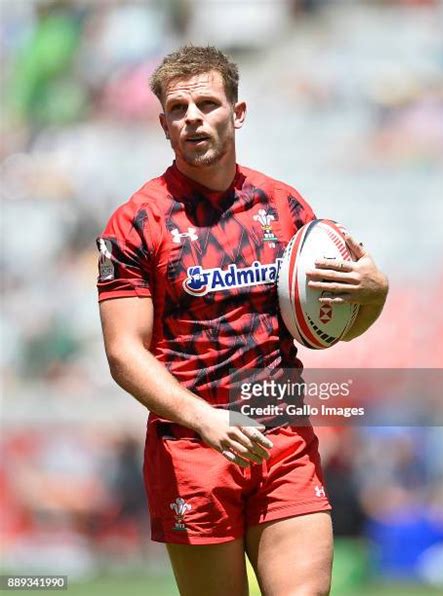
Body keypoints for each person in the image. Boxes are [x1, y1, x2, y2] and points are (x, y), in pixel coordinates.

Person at [97, 45, 388, 596]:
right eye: (178, 111)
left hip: (282, 436)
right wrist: (207, 420)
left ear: (239, 111)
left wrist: (373, 295)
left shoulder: (286, 207)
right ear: (163, 125)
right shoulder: (136, 222)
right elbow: (122, 353)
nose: (193, 119)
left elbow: (329, 329)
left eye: (207, 104)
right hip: (191, 446)